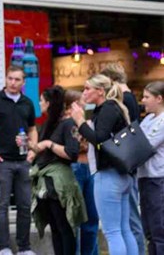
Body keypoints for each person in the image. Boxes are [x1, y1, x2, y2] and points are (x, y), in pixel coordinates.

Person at [71, 74, 138, 255]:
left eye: (87, 88)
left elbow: (99, 140)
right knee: (123, 230)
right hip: (122, 175)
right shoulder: (114, 107)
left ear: (100, 91)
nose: (84, 92)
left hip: (109, 175)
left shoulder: (107, 108)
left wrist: (80, 121)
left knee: (113, 232)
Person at [0, 66, 37, 255]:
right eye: (10, 78)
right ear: (5, 79)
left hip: (24, 161)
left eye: (17, 79)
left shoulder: (27, 103)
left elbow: (32, 129)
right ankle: (3, 247)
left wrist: (33, 150)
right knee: (1, 205)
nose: (13, 82)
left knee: (24, 205)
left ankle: (24, 248)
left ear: (23, 83)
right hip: (2, 160)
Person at [29, 86, 85, 255]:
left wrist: (48, 144)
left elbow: (71, 153)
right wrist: (29, 146)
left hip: (59, 184)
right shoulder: (48, 123)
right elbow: (42, 150)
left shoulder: (67, 124)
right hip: (46, 182)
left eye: (41, 100)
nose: (39, 103)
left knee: (64, 226)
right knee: (54, 227)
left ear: (49, 103)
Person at [101, 63, 146, 255]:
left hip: (123, 165)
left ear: (111, 81)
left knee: (129, 220)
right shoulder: (129, 99)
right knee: (128, 220)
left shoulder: (123, 100)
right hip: (129, 165)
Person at [70, 90, 100, 255]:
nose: (83, 105)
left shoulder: (88, 121)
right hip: (76, 168)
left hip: (91, 169)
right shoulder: (70, 122)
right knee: (76, 219)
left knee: (92, 218)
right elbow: (78, 146)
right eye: (80, 102)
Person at [138, 81, 164, 254]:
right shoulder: (147, 119)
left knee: (159, 229)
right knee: (148, 229)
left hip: (158, 179)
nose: (143, 101)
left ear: (159, 98)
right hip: (143, 178)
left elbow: (144, 146)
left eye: (147, 97)